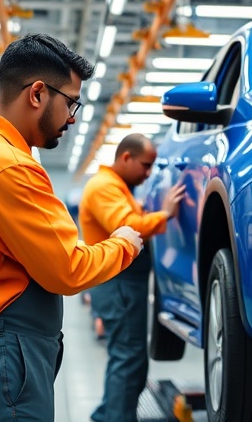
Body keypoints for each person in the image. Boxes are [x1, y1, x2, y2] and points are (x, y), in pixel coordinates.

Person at [0, 33, 144, 422]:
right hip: (3, 347)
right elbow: (68, 267)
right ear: (38, 94)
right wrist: (124, 244)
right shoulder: (6, 165)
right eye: (71, 102)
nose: (73, 117)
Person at [79, 133, 185, 422]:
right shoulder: (104, 187)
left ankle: (106, 415)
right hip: (118, 284)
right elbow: (127, 227)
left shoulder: (118, 187)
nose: (148, 173)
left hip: (124, 284)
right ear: (126, 157)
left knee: (131, 360)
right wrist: (164, 214)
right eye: (145, 165)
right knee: (127, 360)